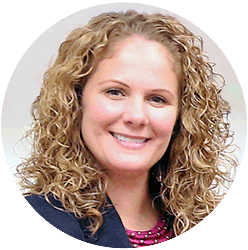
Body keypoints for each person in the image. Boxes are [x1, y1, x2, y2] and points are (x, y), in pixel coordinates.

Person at [17, 10, 238, 248]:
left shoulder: (213, 225)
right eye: (115, 92)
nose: (136, 116)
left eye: (157, 99)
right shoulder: (33, 223)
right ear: (76, 101)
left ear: (181, 117)